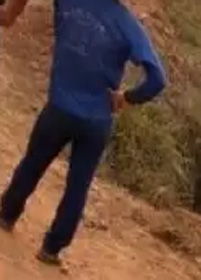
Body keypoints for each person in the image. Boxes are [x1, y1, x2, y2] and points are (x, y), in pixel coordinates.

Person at [0, 0, 166, 266]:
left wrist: (10, 13)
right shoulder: (127, 24)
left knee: (33, 164)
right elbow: (158, 79)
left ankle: (7, 215)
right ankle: (52, 248)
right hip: (97, 121)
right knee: (78, 187)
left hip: (59, 109)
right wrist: (127, 98)